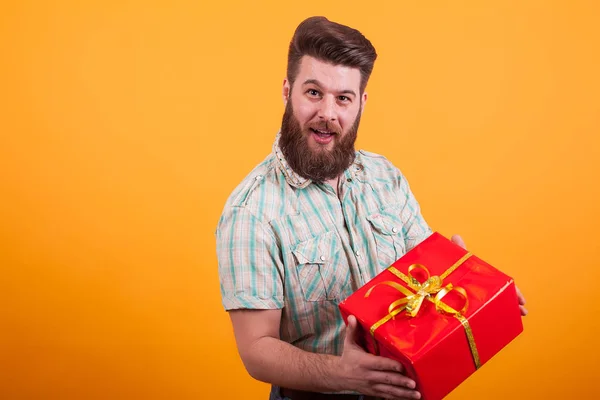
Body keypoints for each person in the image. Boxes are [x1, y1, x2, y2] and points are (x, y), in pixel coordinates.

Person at [216, 16, 527, 400]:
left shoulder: (386, 177)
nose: (328, 112)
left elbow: (423, 281)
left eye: (343, 98)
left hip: (405, 389)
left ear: (361, 103)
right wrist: (342, 375)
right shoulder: (250, 211)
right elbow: (256, 350)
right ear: (287, 91)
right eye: (314, 92)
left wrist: (474, 289)